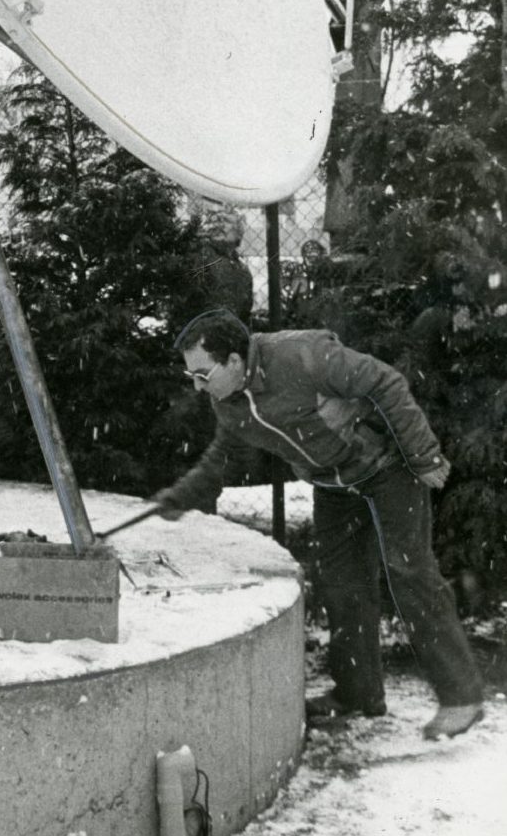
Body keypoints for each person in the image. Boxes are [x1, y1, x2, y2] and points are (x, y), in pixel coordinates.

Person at [158, 310, 484, 741]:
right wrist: (179, 496)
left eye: (203, 373)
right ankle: (359, 692)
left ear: (234, 360)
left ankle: (462, 697)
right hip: (333, 483)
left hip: (388, 465)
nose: (198, 385)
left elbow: (384, 382)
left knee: (409, 570)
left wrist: (424, 456)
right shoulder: (229, 403)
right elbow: (223, 457)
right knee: (341, 582)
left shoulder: (301, 355)